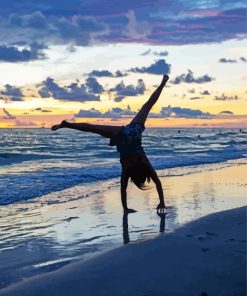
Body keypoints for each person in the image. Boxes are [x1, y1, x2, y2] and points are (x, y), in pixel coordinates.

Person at [51, 74, 169, 213]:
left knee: (147, 105)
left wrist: (161, 202)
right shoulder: (129, 167)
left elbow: (156, 183)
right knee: (93, 128)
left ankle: (163, 83)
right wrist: (127, 208)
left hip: (131, 131)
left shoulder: (141, 163)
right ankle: (67, 125)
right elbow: (124, 189)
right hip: (122, 135)